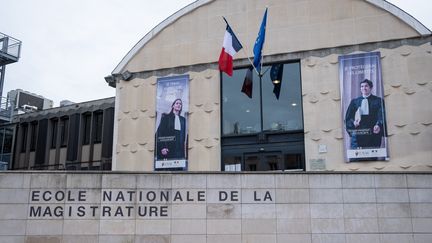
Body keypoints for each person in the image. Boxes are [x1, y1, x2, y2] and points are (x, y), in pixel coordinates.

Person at [345, 79, 386, 149]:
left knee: (373, 157)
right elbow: (348, 118)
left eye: (366, 86)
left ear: (371, 87)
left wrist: (378, 125)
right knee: (357, 158)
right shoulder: (354, 102)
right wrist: (353, 123)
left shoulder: (379, 101)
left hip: (373, 133)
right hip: (358, 134)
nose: (364, 88)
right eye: (362, 86)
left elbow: (382, 115)